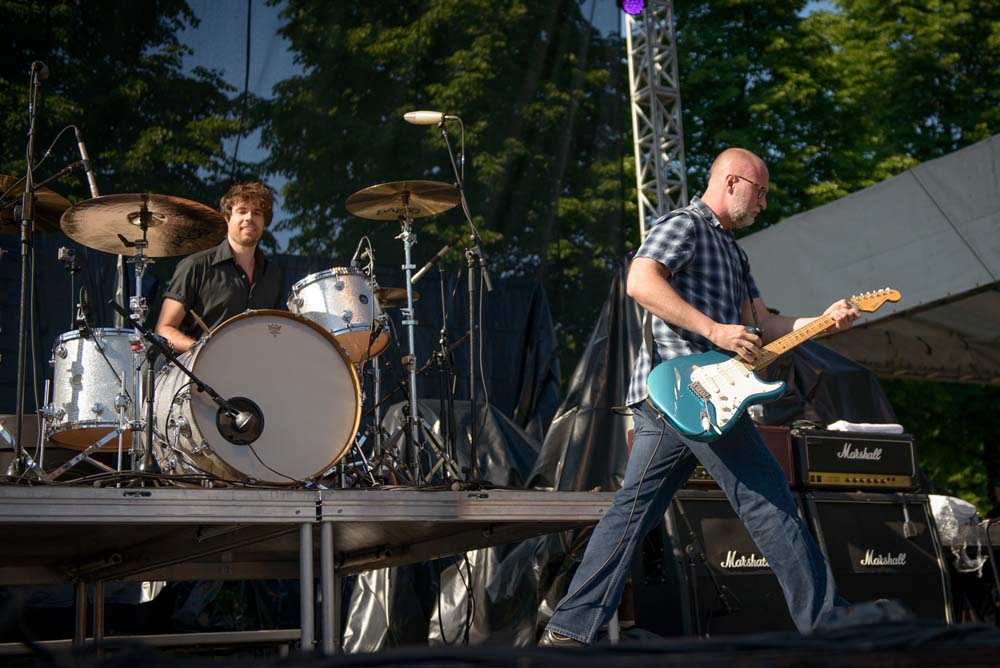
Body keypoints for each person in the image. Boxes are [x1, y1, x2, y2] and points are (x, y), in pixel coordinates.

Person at [540, 148, 860, 647]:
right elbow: (640, 281)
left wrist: (823, 320)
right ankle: (830, 627)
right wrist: (715, 331)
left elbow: (763, 324)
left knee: (633, 511)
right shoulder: (684, 224)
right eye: (761, 191)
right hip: (686, 391)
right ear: (732, 182)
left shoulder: (735, 251)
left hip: (695, 401)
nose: (764, 203)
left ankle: (567, 630)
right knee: (769, 503)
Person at [156, 181, 283, 352]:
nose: (249, 218)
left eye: (257, 213)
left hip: (254, 372)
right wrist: (203, 351)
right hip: (199, 372)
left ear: (265, 224)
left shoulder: (272, 273)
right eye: (242, 211)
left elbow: (277, 332)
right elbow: (165, 330)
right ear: (227, 218)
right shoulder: (195, 266)